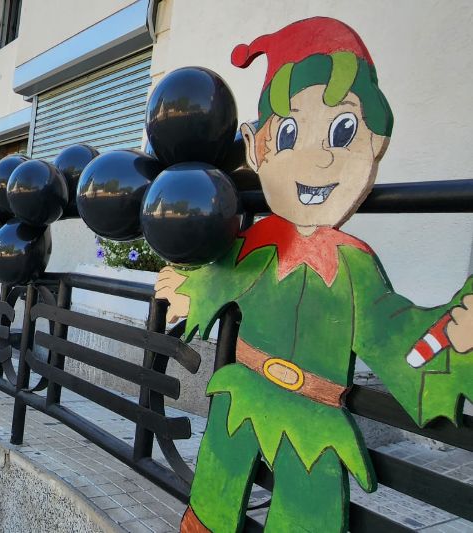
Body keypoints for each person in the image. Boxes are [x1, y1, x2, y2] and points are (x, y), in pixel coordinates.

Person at [153, 18, 473, 533]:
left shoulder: (355, 269)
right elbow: (216, 278)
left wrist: (452, 335)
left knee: (309, 506)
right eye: (291, 132)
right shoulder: (256, 247)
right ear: (259, 148)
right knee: (215, 490)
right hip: (243, 393)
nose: (318, 156)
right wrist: (186, 287)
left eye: (344, 130)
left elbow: (398, 337)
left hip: (315, 416)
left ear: (375, 143)